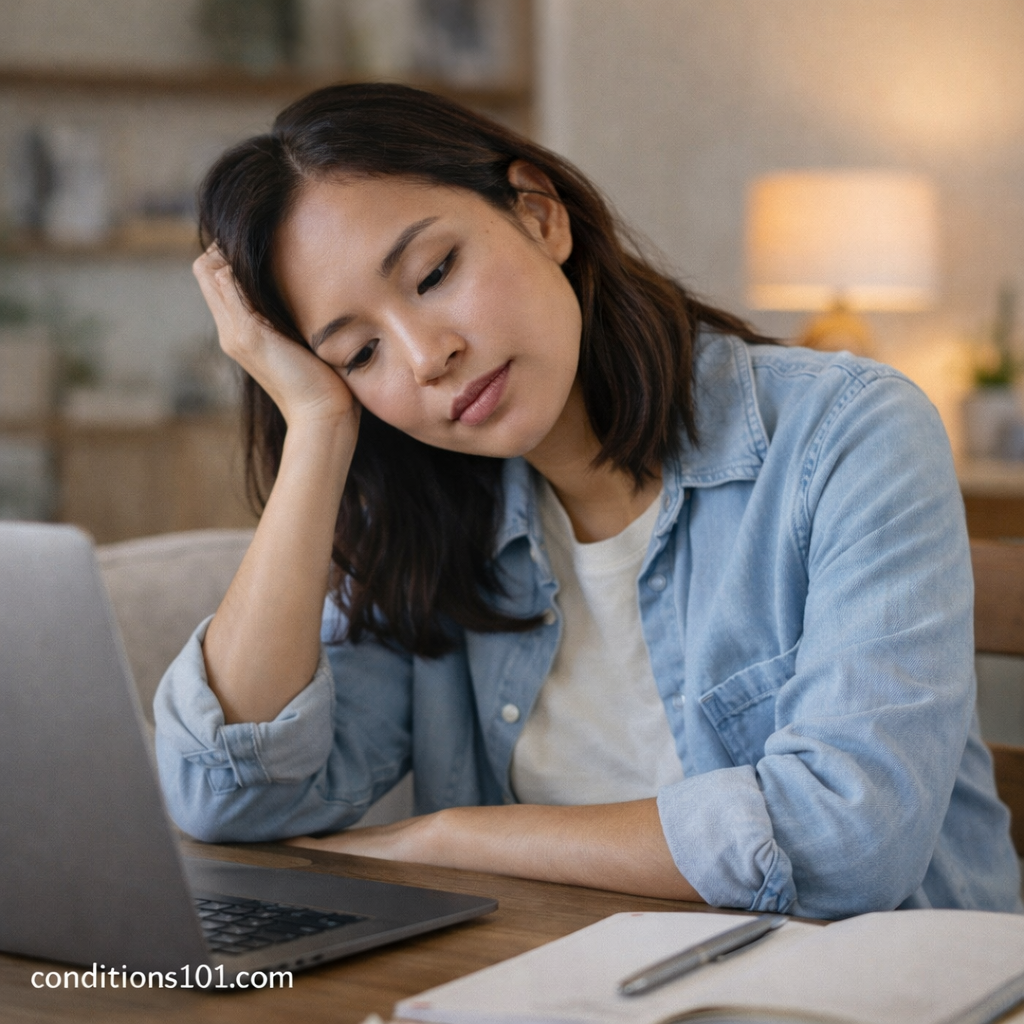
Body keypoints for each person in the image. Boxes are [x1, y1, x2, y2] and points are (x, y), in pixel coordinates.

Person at [154, 83, 1022, 920]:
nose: (426, 356)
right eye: (359, 353)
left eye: (434, 273)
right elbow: (229, 800)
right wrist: (315, 427)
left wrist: (453, 837)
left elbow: (847, 840)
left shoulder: (845, 432)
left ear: (539, 213)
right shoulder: (427, 523)